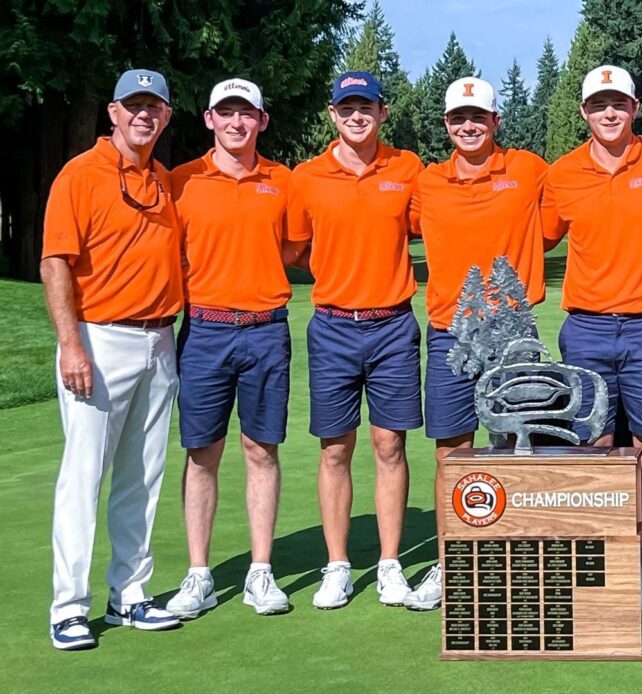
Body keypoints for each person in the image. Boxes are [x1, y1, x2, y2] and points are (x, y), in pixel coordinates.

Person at [542, 64, 642, 616]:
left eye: (619, 104)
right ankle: (604, 568)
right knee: (592, 452)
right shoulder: (561, 173)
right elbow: (535, 235)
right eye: (598, 105)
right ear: (584, 113)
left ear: (635, 109)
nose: (609, 113)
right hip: (585, 329)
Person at [42, 69, 183, 649]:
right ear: (113, 112)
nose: (144, 114)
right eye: (134, 105)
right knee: (85, 475)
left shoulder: (167, 181)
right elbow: (55, 263)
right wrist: (71, 343)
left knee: (142, 477)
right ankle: (68, 607)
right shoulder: (80, 174)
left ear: (167, 116)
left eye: (154, 106)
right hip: (99, 340)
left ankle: (129, 594)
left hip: (160, 339)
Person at [401, 76, 548, 610]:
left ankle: (512, 557)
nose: (468, 126)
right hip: (450, 332)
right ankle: (453, 561)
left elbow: (556, 219)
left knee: (518, 445)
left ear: (495, 122)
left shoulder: (529, 170)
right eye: (458, 118)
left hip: (514, 335)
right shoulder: (426, 182)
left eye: (478, 117)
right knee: (452, 451)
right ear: (446, 125)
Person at [165, 79, 305, 619]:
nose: (237, 123)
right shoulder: (184, 181)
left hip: (267, 329)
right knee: (202, 453)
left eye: (247, 114)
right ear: (208, 120)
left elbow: (293, 247)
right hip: (204, 331)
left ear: (262, 122)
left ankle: (260, 573)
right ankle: (199, 575)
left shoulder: (282, 181)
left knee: (260, 450)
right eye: (226, 113)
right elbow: (172, 252)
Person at [288, 71, 424, 609]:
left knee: (390, 444)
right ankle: (338, 565)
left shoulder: (407, 168)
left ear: (383, 112)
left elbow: (435, 220)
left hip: (392, 323)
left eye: (365, 106)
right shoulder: (307, 176)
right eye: (346, 108)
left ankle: (390, 566)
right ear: (332, 114)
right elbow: (297, 248)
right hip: (334, 326)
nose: (356, 116)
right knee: (335, 449)